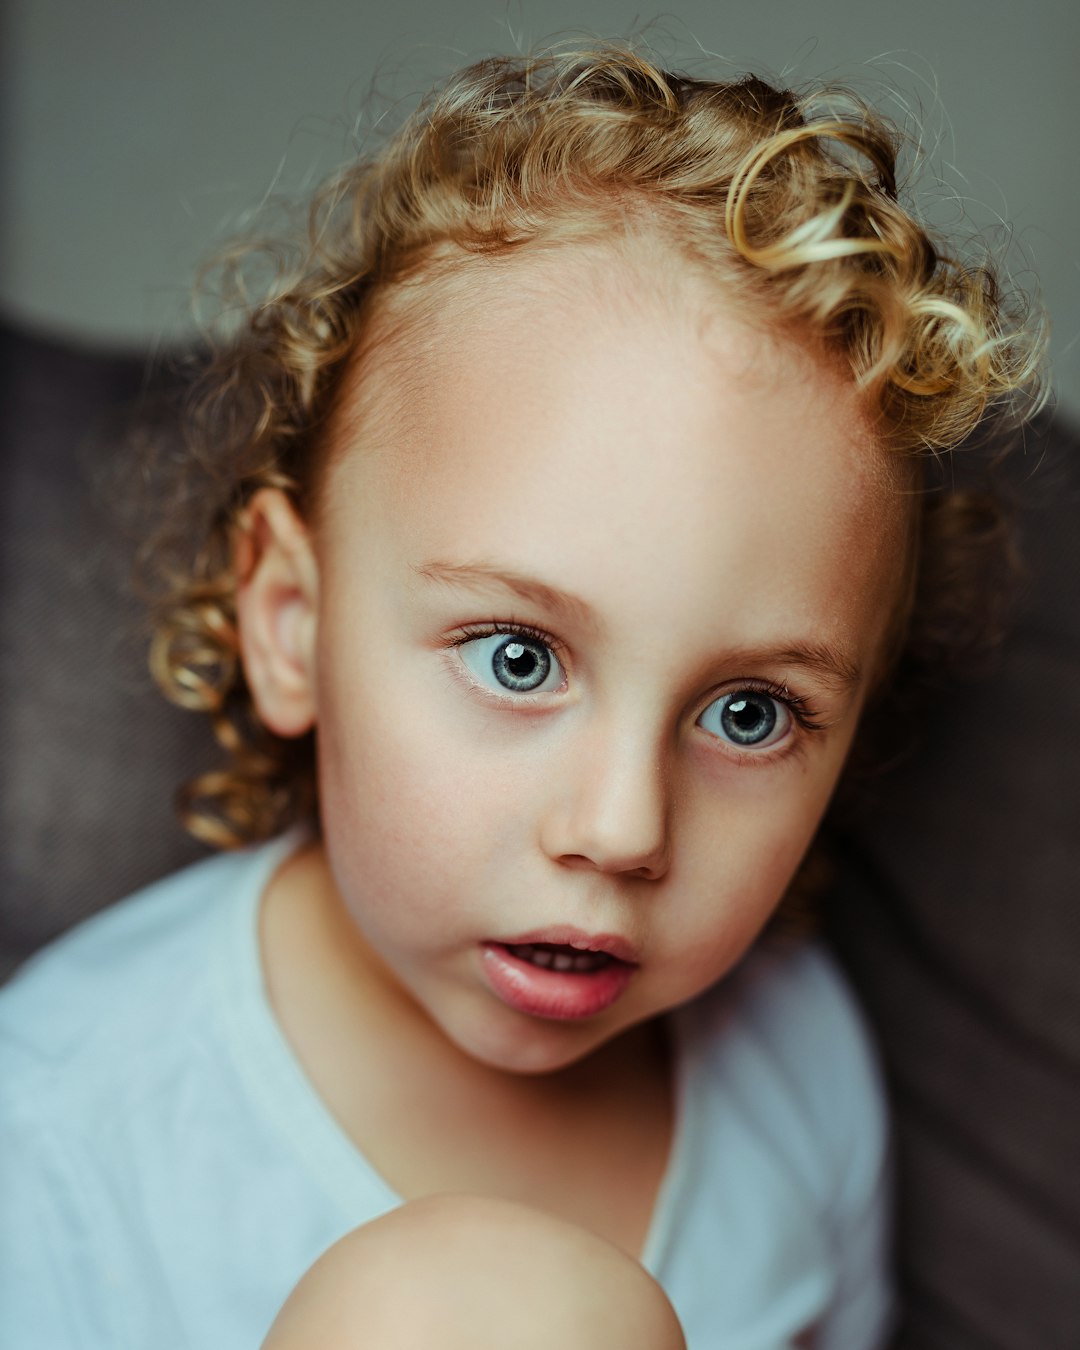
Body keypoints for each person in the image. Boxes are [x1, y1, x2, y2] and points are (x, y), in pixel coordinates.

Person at [0, 43, 1041, 1350]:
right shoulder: (51, 1139)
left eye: (749, 712)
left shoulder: (797, 1062)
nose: (619, 829)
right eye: (517, 656)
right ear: (292, 625)